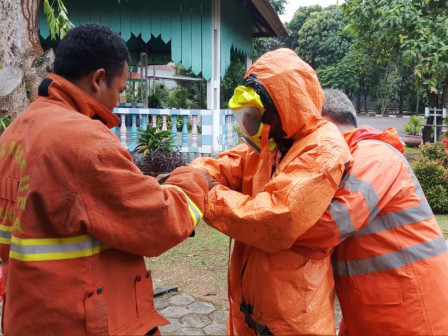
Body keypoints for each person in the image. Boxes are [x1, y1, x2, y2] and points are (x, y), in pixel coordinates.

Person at [0, 23, 215, 335]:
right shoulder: (85, 141)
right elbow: (160, 221)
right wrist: (193, 178)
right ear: (98, 79)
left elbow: (68, 205)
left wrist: (149, 183)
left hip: (28, 316)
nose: (118, 101)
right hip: (80, 319)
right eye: (121, 89)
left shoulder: (15, 132)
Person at [190, 48, 352, 335]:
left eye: (259, 116)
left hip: (292, 314)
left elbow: (278, 216)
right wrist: (194, 175)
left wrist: (209, 194)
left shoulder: (323, 148)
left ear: (285, 106)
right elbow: (230, 165)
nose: (254, 126)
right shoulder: (277, 140)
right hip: (254, 303)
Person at [317, 89, 448, 334]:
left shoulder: (372, 155)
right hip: (379, 312)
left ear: (323, 122)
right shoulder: (348, 162)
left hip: (411, 314)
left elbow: (328, 224)